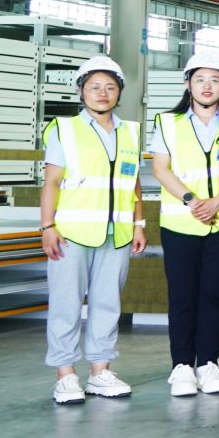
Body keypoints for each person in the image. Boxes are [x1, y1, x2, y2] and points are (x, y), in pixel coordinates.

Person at [39, 55, 146, 405]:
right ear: (81, 91)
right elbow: (51, 182)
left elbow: (132, 181)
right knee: (66, 303)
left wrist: (139, 223)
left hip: (117, 233)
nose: (102, 93)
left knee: (108, 303)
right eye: (95, 87)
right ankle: (65, 374)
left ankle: (100, 371)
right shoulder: (65, 129)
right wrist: (47, 225)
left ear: (119, 92)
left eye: (110, 87)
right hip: (71, 233)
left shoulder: (130, 131)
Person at [150, 52, 219, 397]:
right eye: (200, 79)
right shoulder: (168, 122)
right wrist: (192, 201)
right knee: (182, 295)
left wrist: (218, 201)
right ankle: (181, 365)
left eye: (215, 80)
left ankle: (208, 363)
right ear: (187, 84)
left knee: (213, 294)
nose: (207, 86)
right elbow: (161, 168)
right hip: (181, 223)